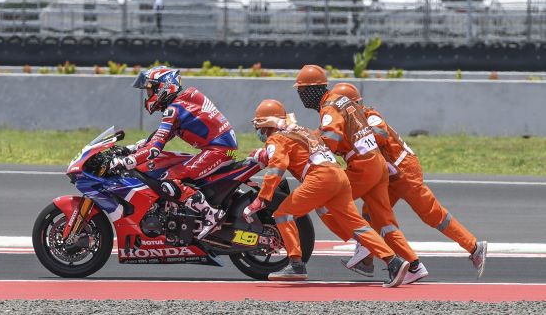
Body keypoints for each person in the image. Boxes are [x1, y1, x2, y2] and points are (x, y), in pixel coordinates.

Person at [242, 99, 410, 287]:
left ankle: (296, 264)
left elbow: (277, 167)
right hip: (339, 176)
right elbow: (288, 152)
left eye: (260, 127)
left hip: (319, 178)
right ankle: (394, 261)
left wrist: (262, 199)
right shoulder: (300, 130)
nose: (259, 132)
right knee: (358, 226)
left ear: (267, 125)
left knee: (282, 215)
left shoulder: (276, 138)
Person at [331, 82, 488, 279]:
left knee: (432, 214)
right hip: (390, 173)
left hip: (403, 171)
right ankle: (367, 260)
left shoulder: (370, 116)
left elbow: (379, 135)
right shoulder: (355, 123)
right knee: (372, 211)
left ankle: (473, 246)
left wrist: (356, 138)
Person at [293, 65, 427, 285]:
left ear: (312, 90)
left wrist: (314, 152)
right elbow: (326, 134)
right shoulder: (341, 105)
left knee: (324, 202)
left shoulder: (329, 107)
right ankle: (413, 265)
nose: (300, 96)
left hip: (363, 168)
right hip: (377, 166)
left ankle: (363, 241)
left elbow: (331, 138)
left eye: (301, 91)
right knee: (384, 222)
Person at [110, 66, 238, 239]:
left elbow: (154, 149)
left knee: (169, 178)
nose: (148, 96)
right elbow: (158, 137)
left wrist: (126, 161)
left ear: (163, 87)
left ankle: (211, 214)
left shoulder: (174, 109)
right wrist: (130, 149)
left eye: (150, 90)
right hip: (220, 149)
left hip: (219, 151)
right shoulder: (182, 102)